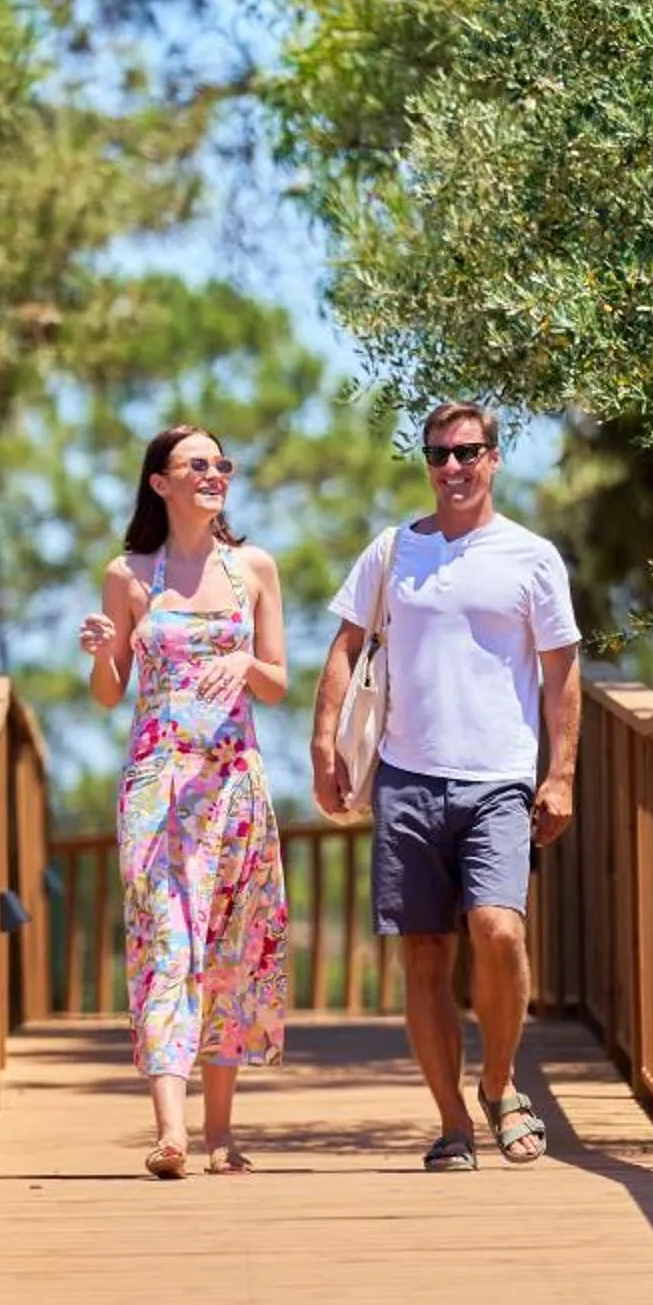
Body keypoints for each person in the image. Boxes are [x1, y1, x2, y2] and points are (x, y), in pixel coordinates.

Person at [312, 402, 582, 1172]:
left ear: (494, 459)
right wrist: (323, 746)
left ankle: (499, 1081)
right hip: (405, 776)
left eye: (467, 452)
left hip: (498, 776)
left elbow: (562, 671)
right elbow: (345, 646)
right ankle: (452, 1122)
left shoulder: (531, 557)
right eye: (438, 454)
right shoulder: (393, 550)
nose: (452, 468)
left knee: (498, 931)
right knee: (425, 955)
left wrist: (559, 774)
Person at [79, 424, 290, 1178]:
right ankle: (170, 1132)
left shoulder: (253, 568)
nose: (213, 474)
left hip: (234, 784)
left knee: (230, 948)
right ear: (159, 482)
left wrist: (243, 661)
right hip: (158, 786)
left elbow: (278, 680)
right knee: (167, 943)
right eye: (196, 465)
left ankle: (221, 1135)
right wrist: (103, 649)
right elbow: (110, 695)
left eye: (221, 464)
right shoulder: (129, 574)